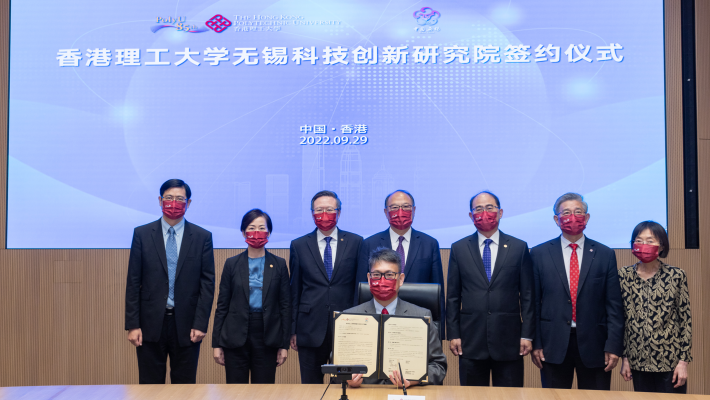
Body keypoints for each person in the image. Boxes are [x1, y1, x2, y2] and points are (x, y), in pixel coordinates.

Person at [125, 179, 215, 384]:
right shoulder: (142, 234)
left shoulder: (202, 237)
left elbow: (207, 284)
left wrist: (201, 324)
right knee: (149, 388)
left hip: (187, 326)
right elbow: (133, 281)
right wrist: (133, 324)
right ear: (160, 200)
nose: (173, 203)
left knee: (184, 389)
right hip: (149, 324)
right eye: (169, 198)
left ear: (188, 203)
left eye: (180, 199)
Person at [530, 192, 624, 390]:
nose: (572, 217)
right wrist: (536, 343)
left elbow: (614, 306)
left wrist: (613, 346)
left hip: (595, 345)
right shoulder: (539, 254)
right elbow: (533, 304)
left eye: (578, 212)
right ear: (556, 219)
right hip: (552, 345)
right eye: (566, 213)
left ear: (587, 217)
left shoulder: (604, 254)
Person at [446, 191, 534, 387]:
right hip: (470, 340)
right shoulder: (459, 248)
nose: (484, 213)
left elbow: (527, 296)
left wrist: (527, 334)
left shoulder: (518, 247)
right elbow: (452, 296)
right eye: (478, 209)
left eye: (490, 208)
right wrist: (453, 334)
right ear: (470, 215)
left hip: (509, 341)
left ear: (500, 212)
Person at [289, 190, 364, 384]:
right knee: (310, 387)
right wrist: (293, 330)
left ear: (339, 212)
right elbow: (294, 289)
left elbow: (359, 286)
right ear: (312, 213)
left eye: (330, 209)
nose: (324, 214)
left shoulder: (356, 242)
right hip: (309, 328)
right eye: (319, 210)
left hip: (347, 326)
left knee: (343, 387)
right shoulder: (298, 245)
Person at [346, 247, 447, 388]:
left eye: (389, 275)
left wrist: (415, 379)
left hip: (407, 394)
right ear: (369, 279)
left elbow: (438, 366)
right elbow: (336, 363)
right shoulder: (350, 318)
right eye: (376, 275)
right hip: (364, 393)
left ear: (400, 279)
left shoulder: (421, 316)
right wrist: (346, 376)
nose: (382, 280)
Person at [212, 209, 291, 383]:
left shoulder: (279, 264)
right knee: (235, 392)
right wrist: (216, 344)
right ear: (243, 232)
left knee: (263, 392)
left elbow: (285, 306)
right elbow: (222, 305)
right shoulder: (231, 264)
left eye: (261, 228)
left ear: (269, 232)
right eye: (251, 227)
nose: (256, 232)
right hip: (235, 336)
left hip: (267, 336)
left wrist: (284, 345)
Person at [355, 190, 446, 339]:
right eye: (394, 207)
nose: (400, 212)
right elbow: (361, 290)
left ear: (414, 210)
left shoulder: (429, 243)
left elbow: (438, 294)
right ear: (386, 212)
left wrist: (439, 333)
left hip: (417, 322)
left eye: (406, 207)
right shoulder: (369, 243)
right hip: (377, 321)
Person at [618, 221, 691, 393]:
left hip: (670, 362)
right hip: (637, 361)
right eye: (639, 240)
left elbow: (685, 321)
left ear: (662, 245)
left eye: (650, 241)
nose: (644, 245)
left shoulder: (676, 275)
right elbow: (621, 320)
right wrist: (625, 358)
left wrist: (683, 362)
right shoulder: (623, 276)